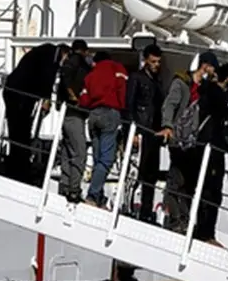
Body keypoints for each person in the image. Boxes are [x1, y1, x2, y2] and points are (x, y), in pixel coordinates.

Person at [161, 52, 217, 233]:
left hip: (194, 143)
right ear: (205, 65)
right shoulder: (182, 83)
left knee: (188, 183)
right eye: (212, 67)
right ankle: (175, 219)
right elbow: (170, 104)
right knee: (175, 180)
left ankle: (184, 220)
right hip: (178, 139)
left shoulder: (206, 88)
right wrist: (167, 126)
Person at [2, 42, 65, 184]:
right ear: (64, 52)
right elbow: (47, 77)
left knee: (20, 129)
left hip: (20, 93)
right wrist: (47, 99)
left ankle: (18, 163)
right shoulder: (51, 55)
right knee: (20, 129)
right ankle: (18, 166)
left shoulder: (44, 52)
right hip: (19, 94)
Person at [193, 62, 228, 245]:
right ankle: (205, 232)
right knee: (211, 191)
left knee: (211, 191)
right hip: (210, 147)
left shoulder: (213, 92)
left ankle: (205, 230)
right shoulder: (215, 93)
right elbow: (225, 108)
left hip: (212, 146)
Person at [80, 51, 128, 207]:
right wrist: (123, 112)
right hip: (110, 113)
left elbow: (84, 99)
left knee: (97, 158)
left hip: (93, 115)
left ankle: (98, 196)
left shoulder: (90, 75)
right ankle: (93, 196)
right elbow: (123, 90)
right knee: (106, 160)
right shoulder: (117, 69)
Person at [125, 44, 165, 223]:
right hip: (141, 128)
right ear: (146, 61)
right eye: (153, 61)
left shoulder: (157, 81)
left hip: (154, 131)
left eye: (158, 62)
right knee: (137, 171)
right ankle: (129, 204)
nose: (157, 65)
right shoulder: (136, 77)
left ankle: (146, 209)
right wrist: (131, 131)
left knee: (151, 172)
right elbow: (129, 104)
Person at [56, 39, 91, 203]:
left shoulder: (71, 61)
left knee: (68, 150)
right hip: (75, 112)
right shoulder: (77, 62)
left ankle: (64, 184)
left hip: (66, 113)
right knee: (80, 152)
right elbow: (66, 75)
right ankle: (74, 189)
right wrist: (73, 96)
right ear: (84, 51)